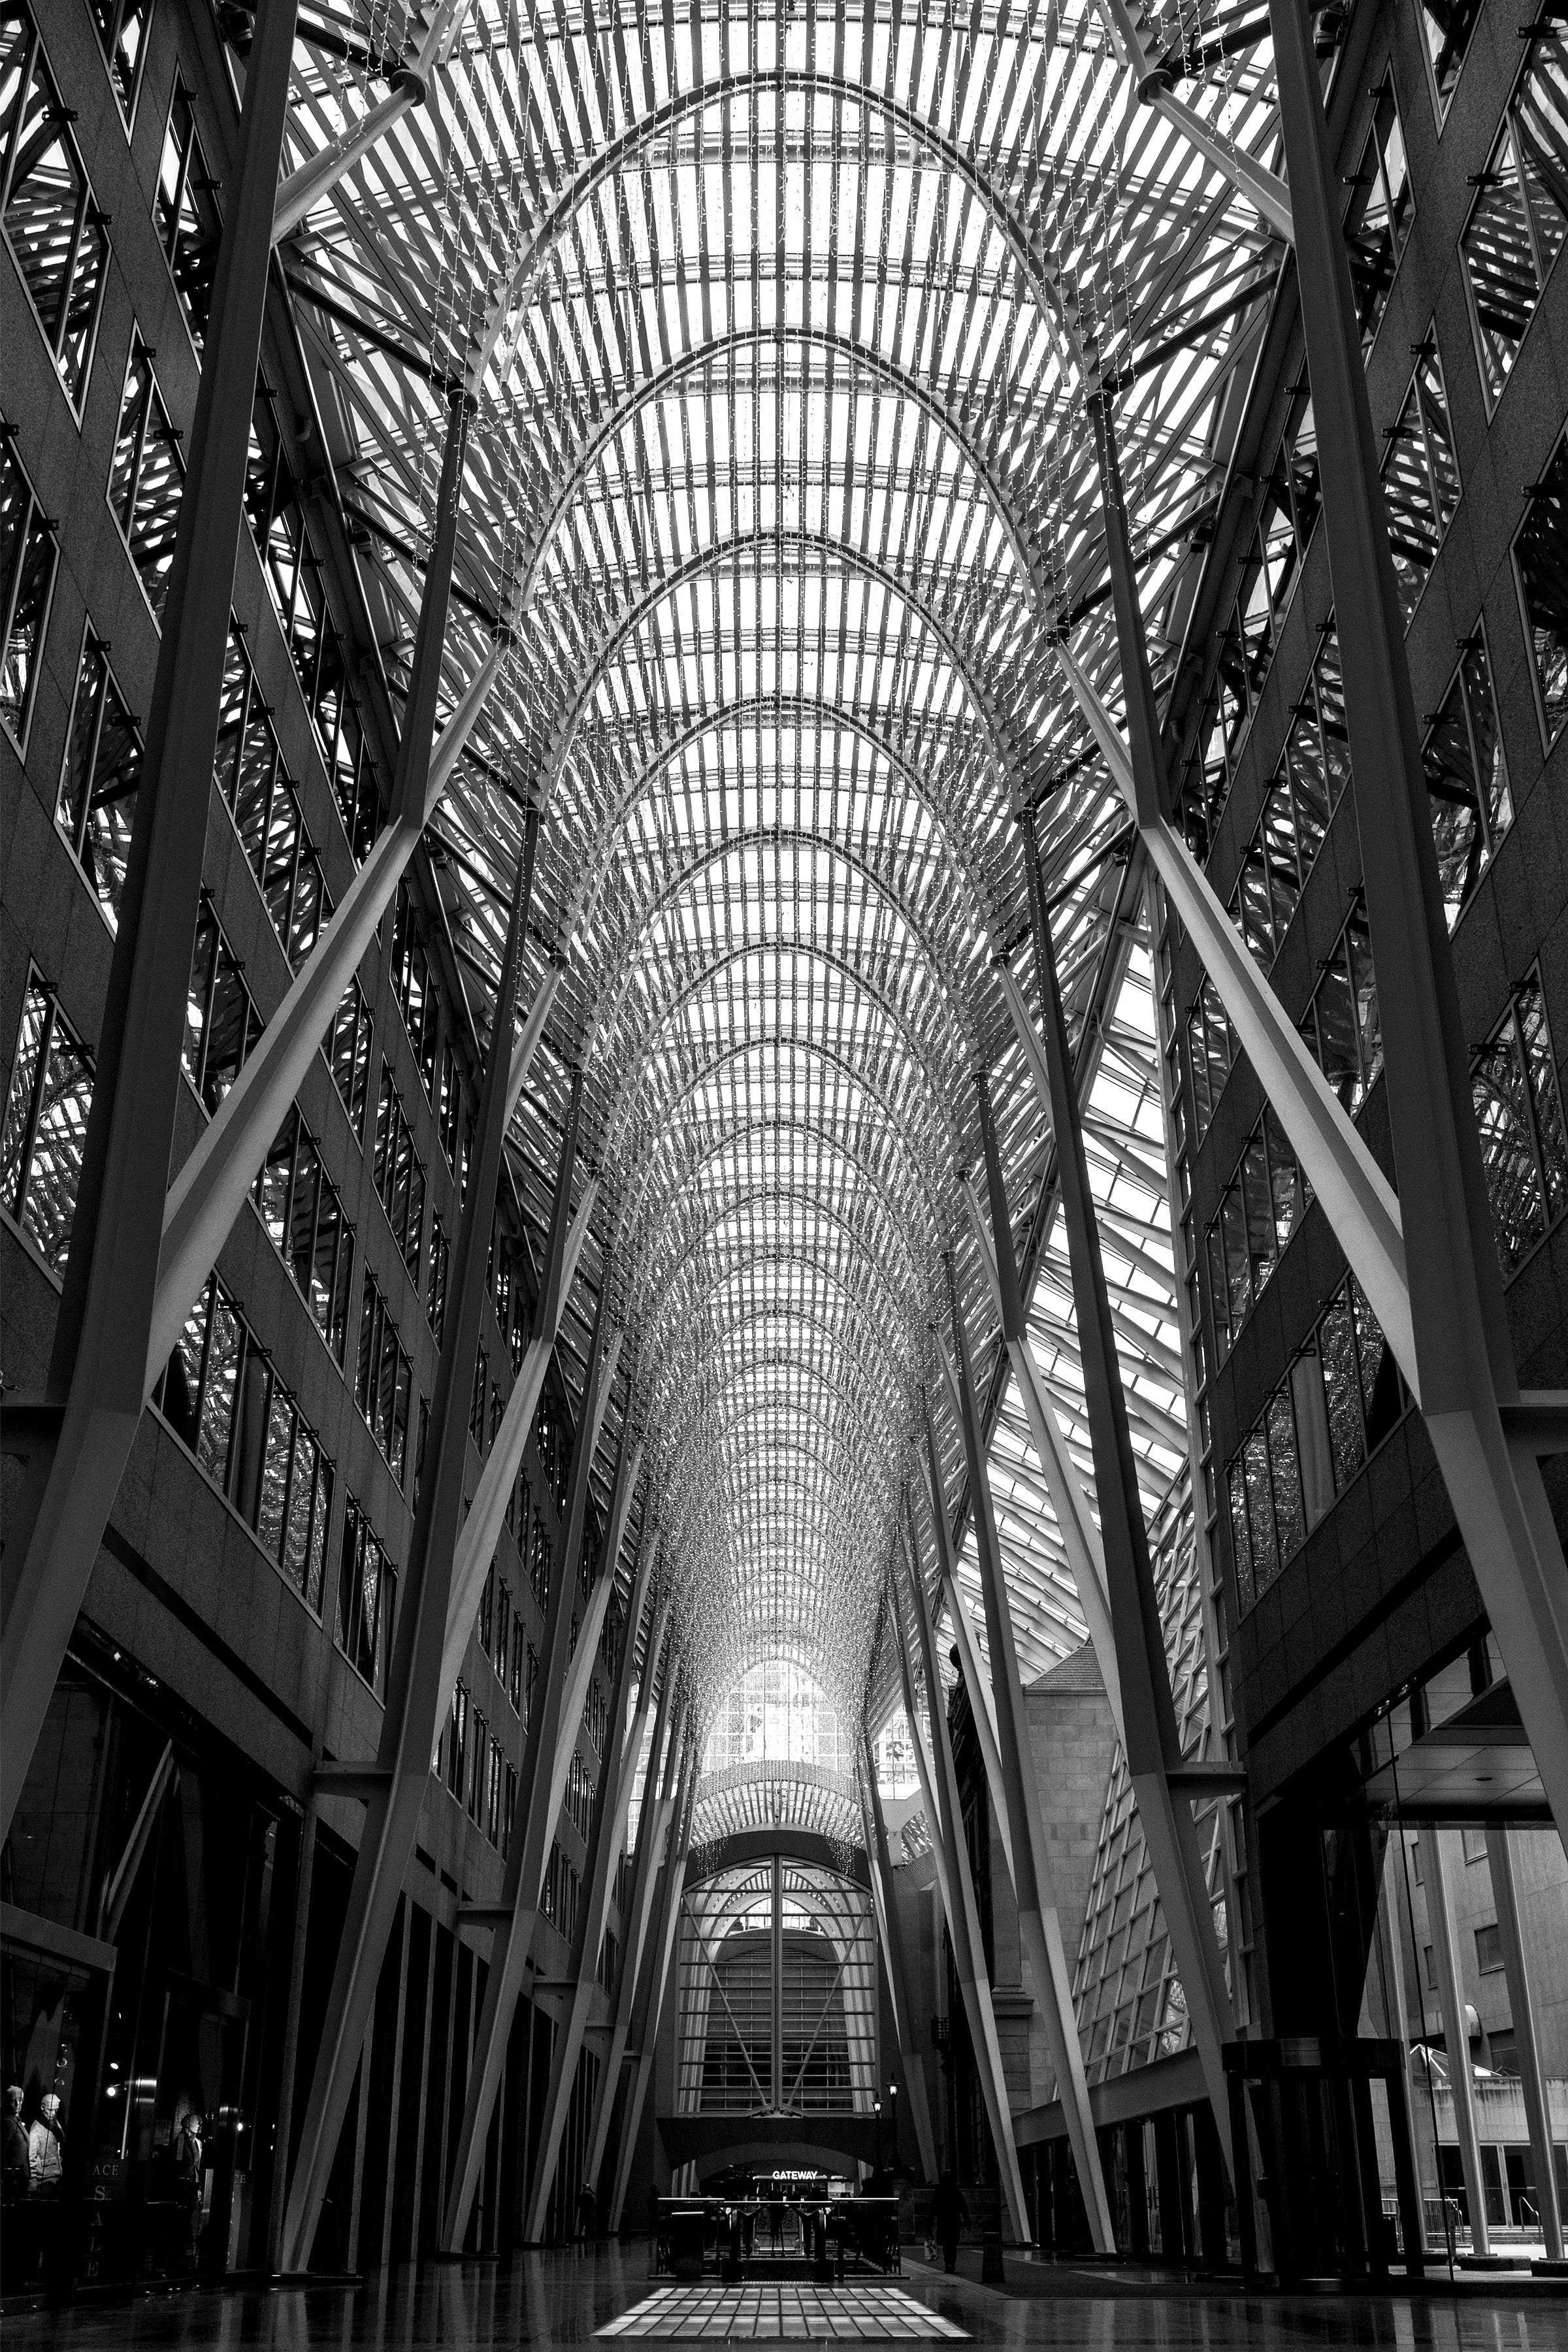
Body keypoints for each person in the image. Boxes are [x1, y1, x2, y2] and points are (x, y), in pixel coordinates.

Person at [931, 2170, 968, 2274]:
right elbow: (963, 2207)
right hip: (954, 2220)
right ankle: (952, 2263)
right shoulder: (956, 2191)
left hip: (943, 2220)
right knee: (953, 2245)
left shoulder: (939, 2190)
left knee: (946, 2245)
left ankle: (948, 2263)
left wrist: (929, 2225)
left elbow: (933, 2208)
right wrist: (967, 2221)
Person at [27, 2094, 63, 2195]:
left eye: (55, 2110)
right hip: (44, 2182)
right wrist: (33, 2184)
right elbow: (31, 2158)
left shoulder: (53, 2124)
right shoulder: (36, 2130)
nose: (53, 2113)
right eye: (50, 2110)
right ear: (43, 2107)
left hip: (54, 2178)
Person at [3, 2088, 29, 2199]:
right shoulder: (9, 2123)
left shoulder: (16, 2121)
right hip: (13, 2178)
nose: (18, 2104)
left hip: (19, 2177)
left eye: (20, 2100)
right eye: (14, 2100)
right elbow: (3, 2149)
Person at [575, 2178, 596, 2247]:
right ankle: (588, 2235)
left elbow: (579, 2203)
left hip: (583, 2211)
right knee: (589, 2223)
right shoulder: (592, 2195)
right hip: (590, 2211)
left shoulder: (583, 2195)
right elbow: (594, 2204)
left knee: (582, 2223)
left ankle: (581, 2234)